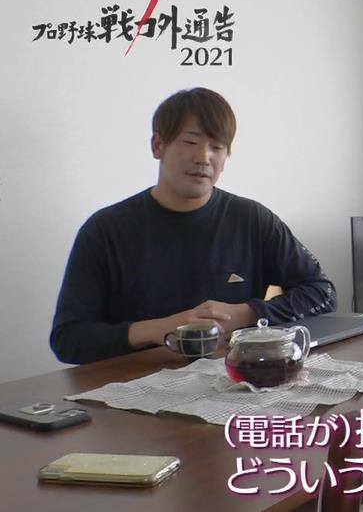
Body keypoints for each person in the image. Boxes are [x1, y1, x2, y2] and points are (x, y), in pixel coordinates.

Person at [50, 87, 337, 365]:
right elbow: (69, 339)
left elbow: (322, 292)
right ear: (158, 145)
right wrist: (160, 329)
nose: (203, 157)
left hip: (232, 379)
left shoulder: (252, 220)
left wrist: (248, 313)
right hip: (133, 383)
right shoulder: (105, 230)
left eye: (217, 147)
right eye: (190, 142)